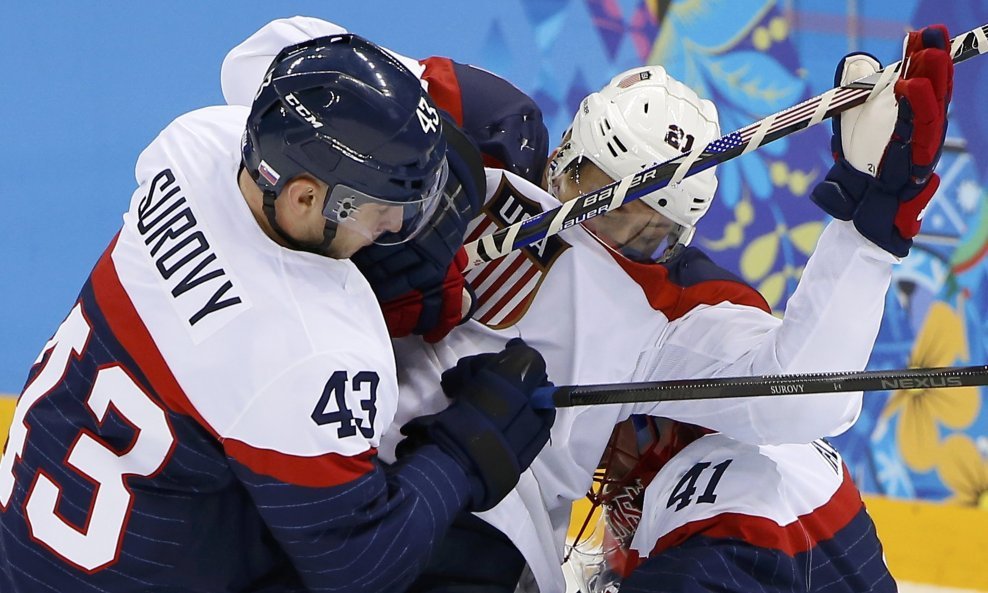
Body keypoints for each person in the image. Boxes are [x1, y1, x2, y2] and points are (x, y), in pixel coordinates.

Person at [219, 18, 950, 593]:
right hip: (315, 446)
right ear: (570, 153)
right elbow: (259, 67)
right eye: (607, 198)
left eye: (653, 232)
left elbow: (806, 394)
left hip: (473, 531)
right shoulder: (483, 141)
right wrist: (425, 152)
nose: (620, 235)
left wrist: (868, 229)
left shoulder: (663, 307)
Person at [0, 34, 557, 593]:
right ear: (305, 198)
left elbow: (245, 309)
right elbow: (363, 567)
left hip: (24, 545)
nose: (394, 225)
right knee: (464, 561)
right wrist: (466, 451)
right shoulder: (317, 350)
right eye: (383, 206)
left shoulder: (195, 144)